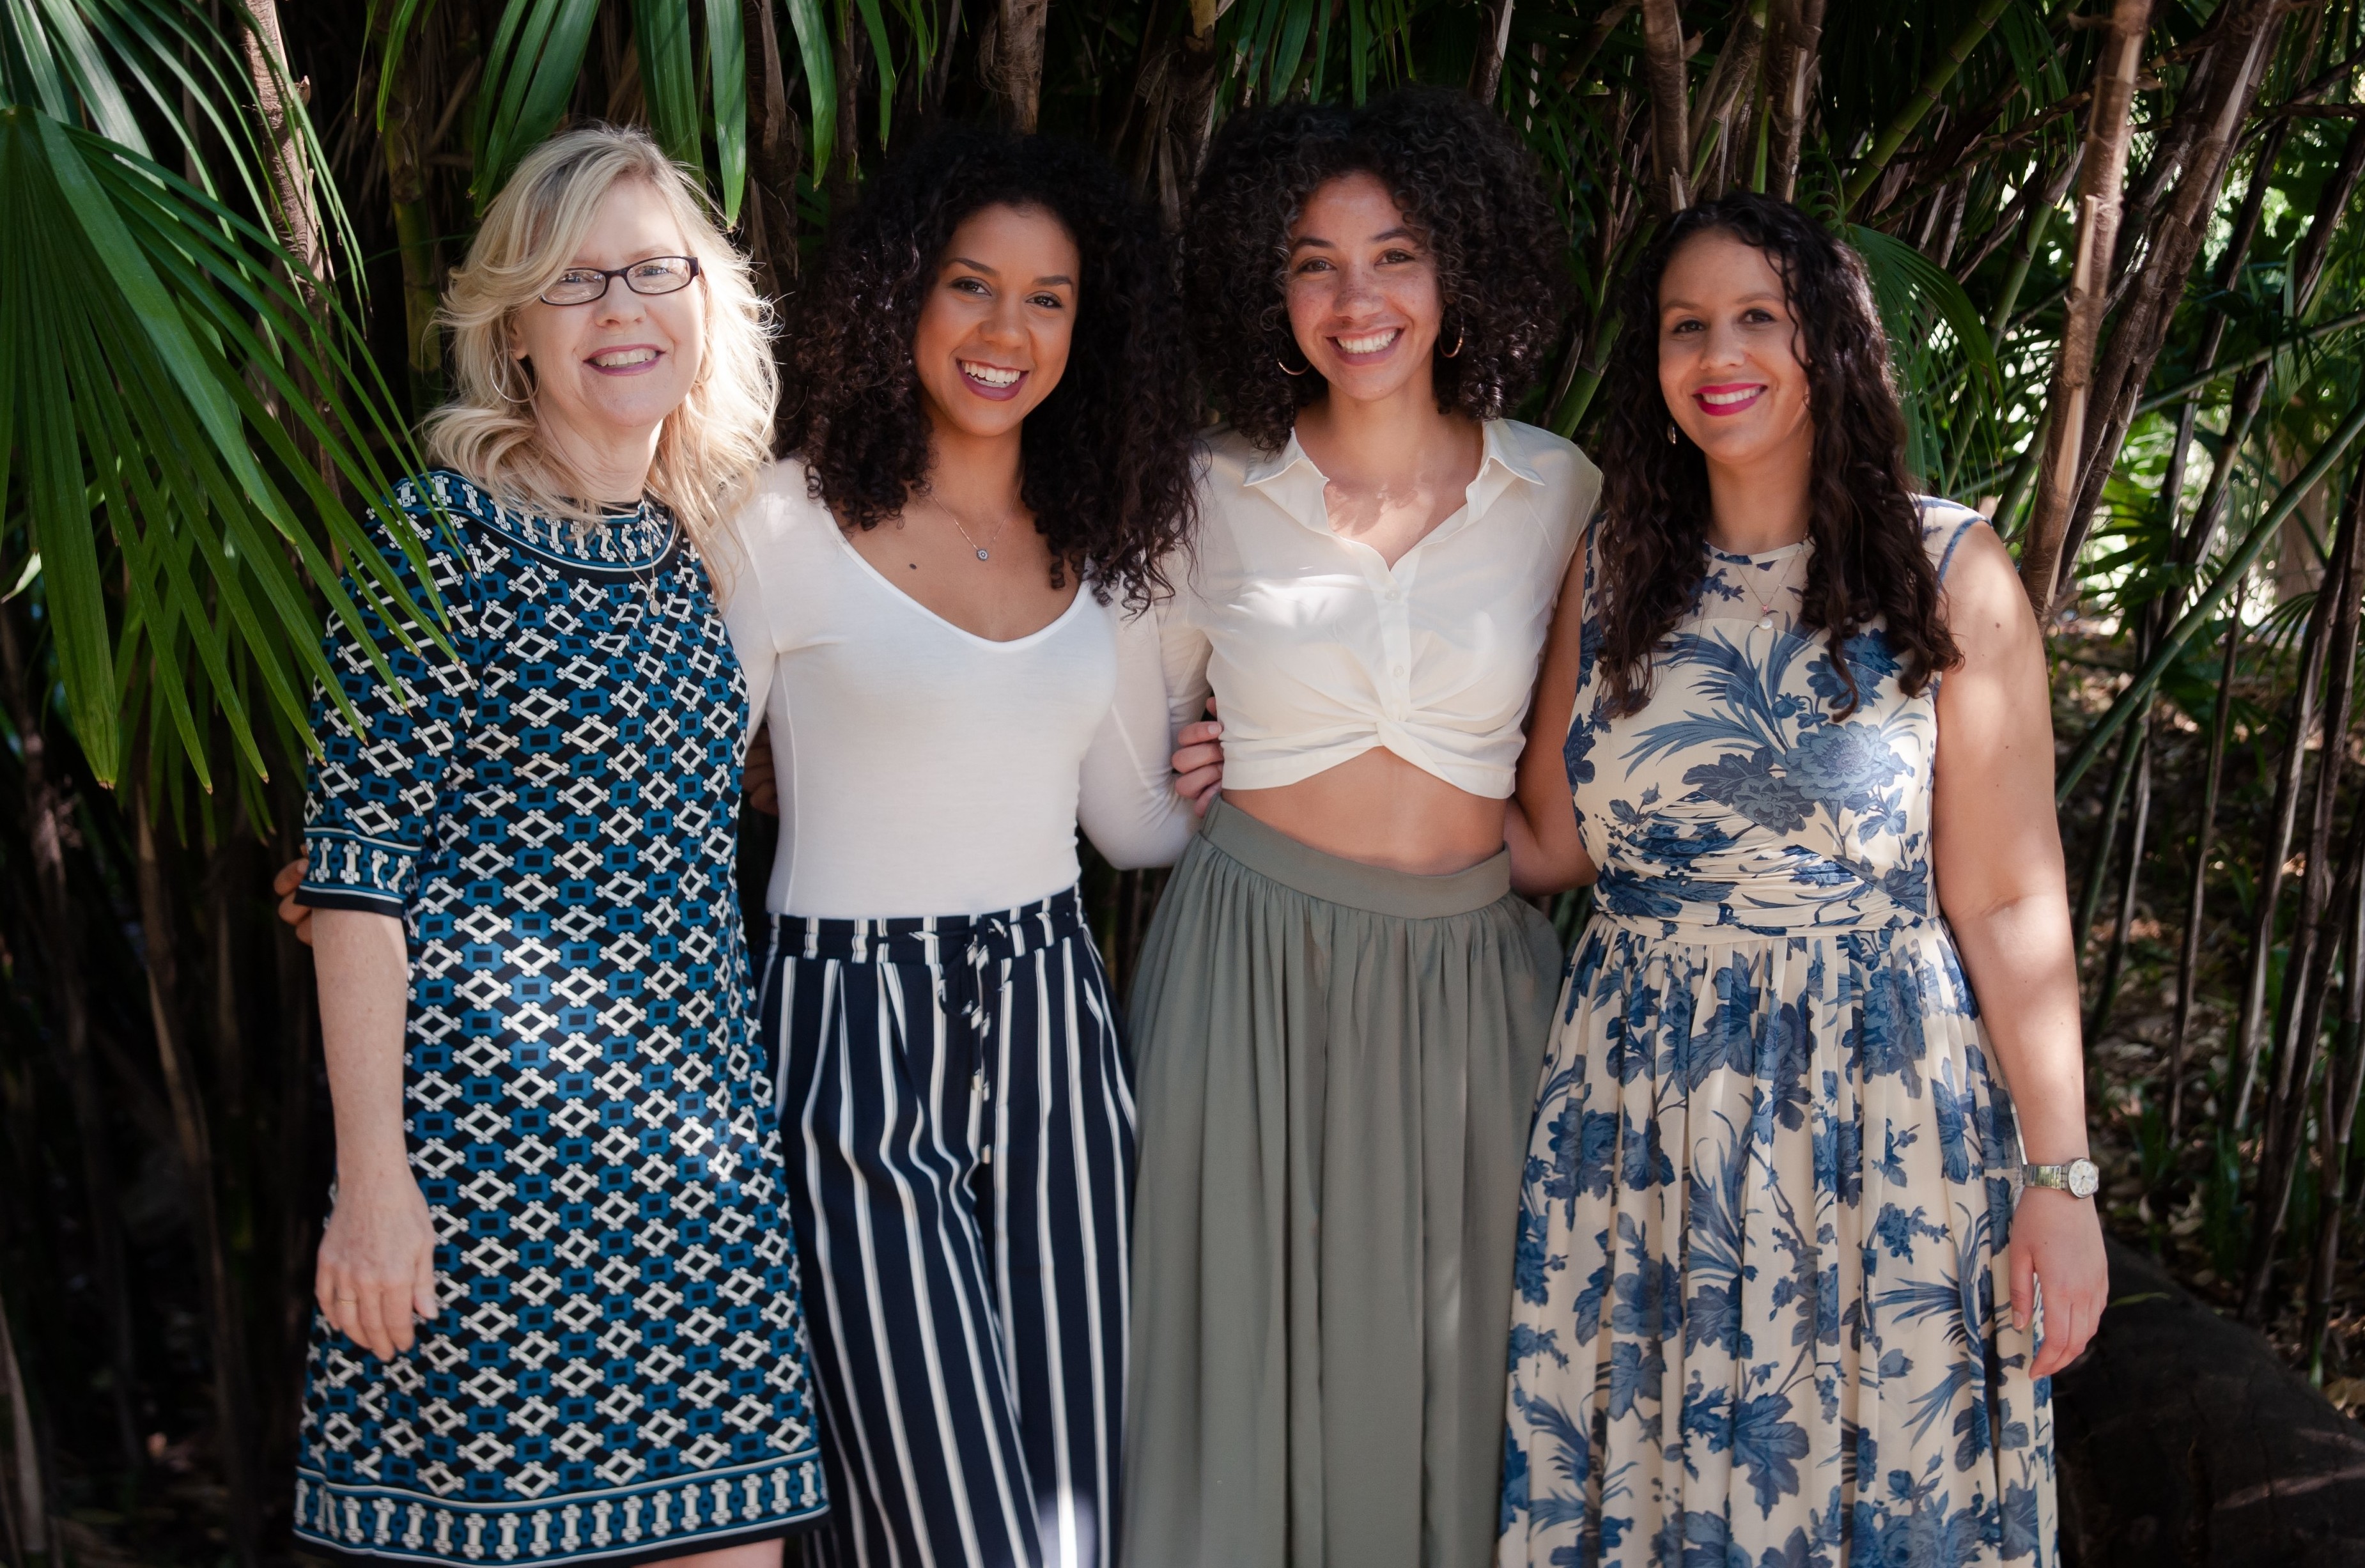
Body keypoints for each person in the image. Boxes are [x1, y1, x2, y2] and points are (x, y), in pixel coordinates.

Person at [1496, 193, 2106, 1567]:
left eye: (1757, 317)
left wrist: (2058, 1181)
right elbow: (1546, 843)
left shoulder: (1946, 568)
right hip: (1638, 1120)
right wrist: (1294, 762)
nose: (1719, 351)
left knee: (1877, 1486)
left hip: (1877, 1121)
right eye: (1684, 325)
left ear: (1828, 343)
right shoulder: (1612, 570)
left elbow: (2008, 902)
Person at [280, 125, 828, 1562]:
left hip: (701, 1159)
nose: (621, 312)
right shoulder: (436, 536)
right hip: (495, 1171)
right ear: (513, 327)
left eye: (654, 271)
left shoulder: (711, 547)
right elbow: (353, 883)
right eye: (576, 282)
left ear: (706, 305)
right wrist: (374, 1184)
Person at [1122, 88, 1603, 1568]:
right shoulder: (1201, 493)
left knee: (1461, 1380)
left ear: (1457, 269)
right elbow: (1121, 777)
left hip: (1473, 990)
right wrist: (1188, 775)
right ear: (1266, 289)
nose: (1356, 299)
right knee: (1228, 1367)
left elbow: (1567, 806)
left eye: (1392, 256)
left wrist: (1479, 882)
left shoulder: (1557, 486)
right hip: (1244, 973)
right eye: (1312, 263)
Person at [720, 125, 1206, 1568]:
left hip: (1057, 1029)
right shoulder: (779, 522)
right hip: (848, 1033)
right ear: (899, 299)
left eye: (1046, 298)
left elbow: (1132, 825)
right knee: (951, 1523)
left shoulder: (1098, 535)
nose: (1006, 331)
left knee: (1070, 1516)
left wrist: (1231, 749)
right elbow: (674, 801)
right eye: (969, 286)